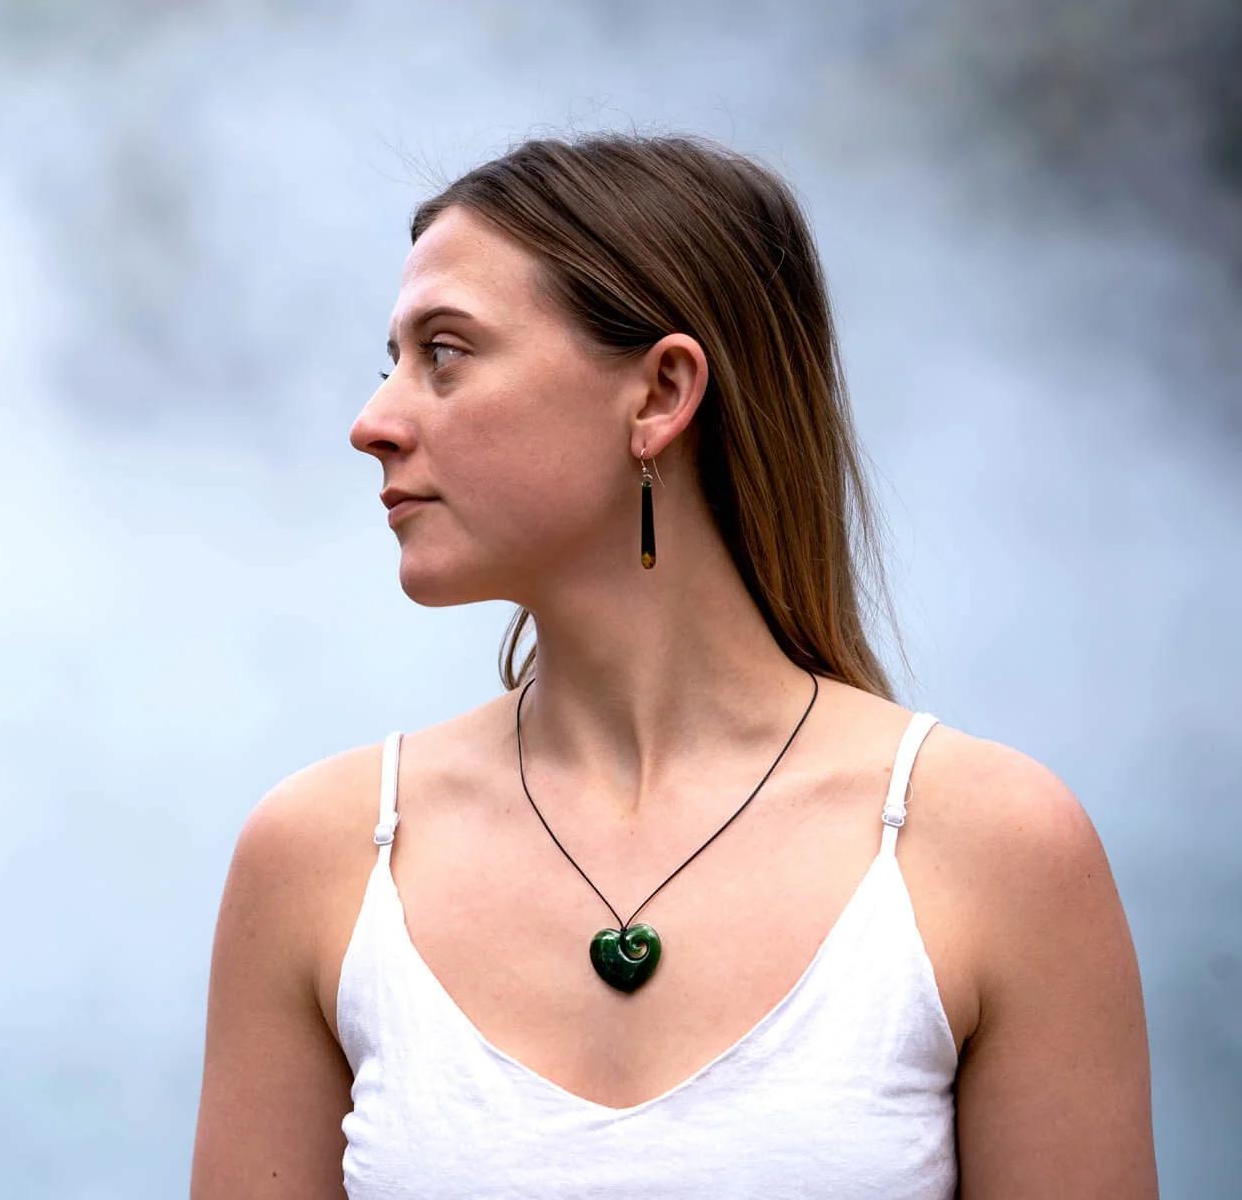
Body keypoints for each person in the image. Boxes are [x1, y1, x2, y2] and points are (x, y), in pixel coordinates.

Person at [191, 132, 1157, 1198]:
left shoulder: (988, 849)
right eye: (393, 364)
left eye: (447, 354)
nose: (373, 423)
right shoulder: (326, 856)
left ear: (659, 394)